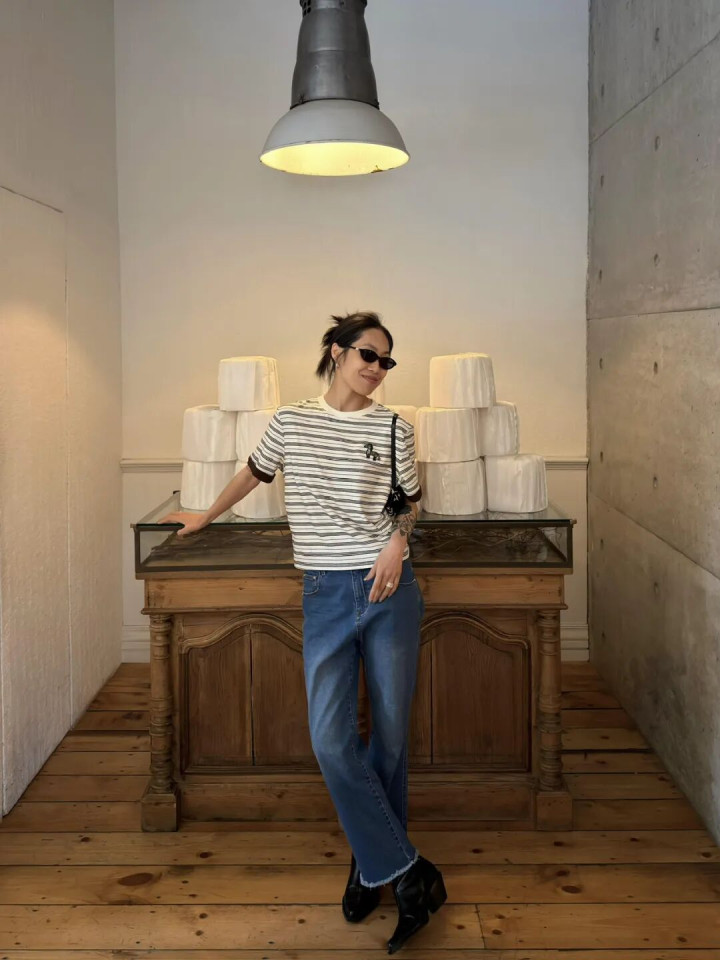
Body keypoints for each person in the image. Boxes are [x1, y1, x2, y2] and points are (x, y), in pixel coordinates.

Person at [160, 311, 447, 954]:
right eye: (369, 355)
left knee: (391, 738)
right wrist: (204, 515)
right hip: (324, 593)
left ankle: (371, 868)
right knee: (330, 740)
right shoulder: (291, 421)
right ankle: (407, 871)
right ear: (338, 352)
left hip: (390, 591)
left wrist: (398, 543)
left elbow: (409, 502)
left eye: (386, 361)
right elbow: (254, 472)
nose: (378, 369)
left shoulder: (395, 427)